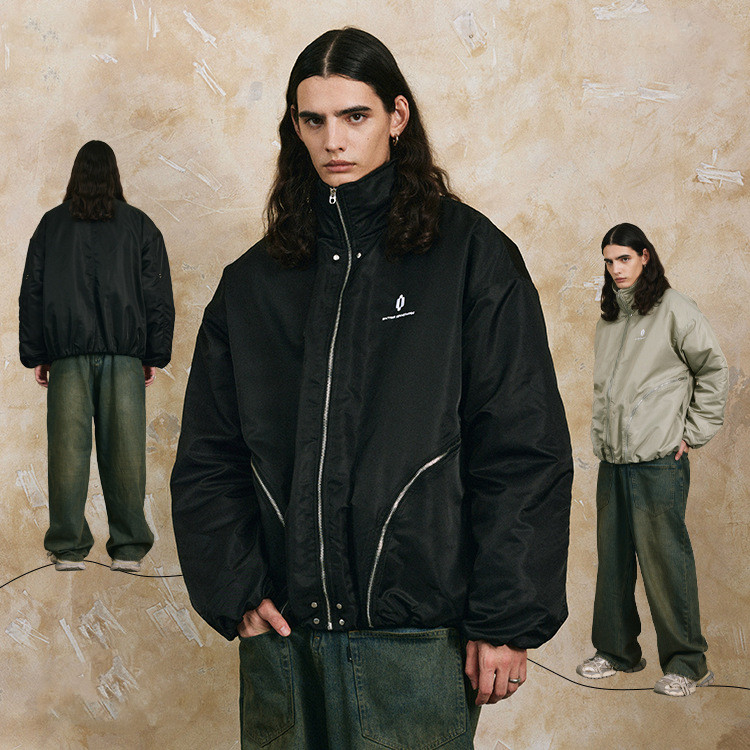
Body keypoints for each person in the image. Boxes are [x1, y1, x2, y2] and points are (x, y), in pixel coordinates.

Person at [171, 28, 572, 748]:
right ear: (294, 128)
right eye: (314, 120)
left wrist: (506, 619)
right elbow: (209, 455)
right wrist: (237, 592)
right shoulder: (252, 284)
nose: (334, 140)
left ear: (396, 116)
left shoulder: (470, 258)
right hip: (284, 643)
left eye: (355, 115)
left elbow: (522, 445)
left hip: (417, 642)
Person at [577, 223, 728, 697]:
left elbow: (713, 370)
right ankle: (616, 651)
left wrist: (693, 433)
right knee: (613, 561)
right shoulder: (609, 320)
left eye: (623, 258)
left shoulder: (675, 309)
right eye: (608, 261)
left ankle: (688, 664)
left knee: (665, 562)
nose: (615, 269)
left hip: (659, 460)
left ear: (645, 256)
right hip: (614, 460)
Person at [19, 140, 174, 573]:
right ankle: (128, 549)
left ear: (76, 175)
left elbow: (32, 292)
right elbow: (157, 294)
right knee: (126, 454)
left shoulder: (51, 225)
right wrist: (152, 354)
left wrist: (39, 354)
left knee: (66, 454)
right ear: (114, 174)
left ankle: (68, 549)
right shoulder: (139, 225)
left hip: (66, 358)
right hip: (124, 359)